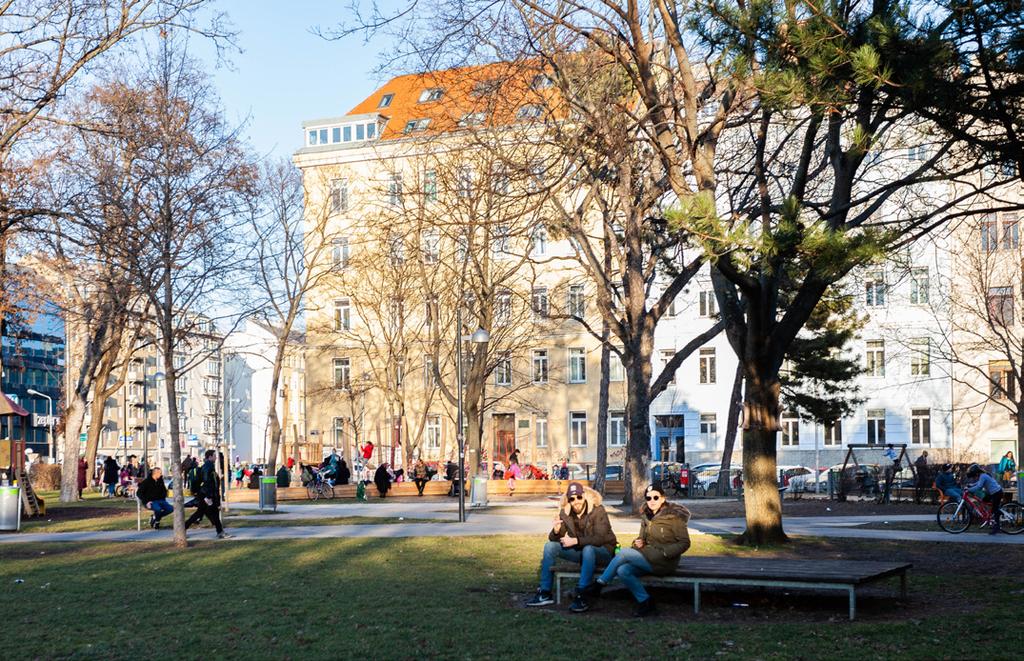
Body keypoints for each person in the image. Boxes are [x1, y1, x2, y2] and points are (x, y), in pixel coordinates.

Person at [583, 484, 691, 617]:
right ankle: (646, 602)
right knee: (623, 570)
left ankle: (599, 584)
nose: (652, 501)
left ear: (663, 499)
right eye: (648, 498)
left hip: (665, 562)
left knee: (623, 552)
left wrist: (666, 552)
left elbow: (685, 543)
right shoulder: (646, 517)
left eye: (655, 497)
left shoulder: (674, 518)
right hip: (648, 558)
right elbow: (641, 539)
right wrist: (638, 542)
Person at [527, 482, 617, 613]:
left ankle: (582, 594)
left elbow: (600, 538)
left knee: (589, 549)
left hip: (605, 552)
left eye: (579, 497)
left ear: (584, 496)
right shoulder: (566, 512)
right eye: (572, 499)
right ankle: (545, 593)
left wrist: (575, 540)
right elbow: (554, 539)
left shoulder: (598, 510)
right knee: (550, 546)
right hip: (583, 552)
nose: (576, 502)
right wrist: (556, 531)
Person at [185, 449, 231, 538]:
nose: (216, 457)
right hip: (207, 496)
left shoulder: (209, 466)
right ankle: (220, 532)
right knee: (208, 513)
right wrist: (208, 497)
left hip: (206, 495)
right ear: (210, 457)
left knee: (203, 513)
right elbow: (207, 483)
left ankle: (220, 532)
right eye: (214, 455)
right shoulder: (208, 467)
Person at [966, 463, 1004, 534]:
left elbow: (979, 487)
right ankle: (991, 514)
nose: (974, 478)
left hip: (997, 493)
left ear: (976, 473)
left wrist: (969, 490)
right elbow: (978, 483)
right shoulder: (982, 476)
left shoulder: (983, 476)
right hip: (991, 493)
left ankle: (997, 526)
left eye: (974, 476)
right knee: (983, 501)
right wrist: (971, 485)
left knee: (995, 510)